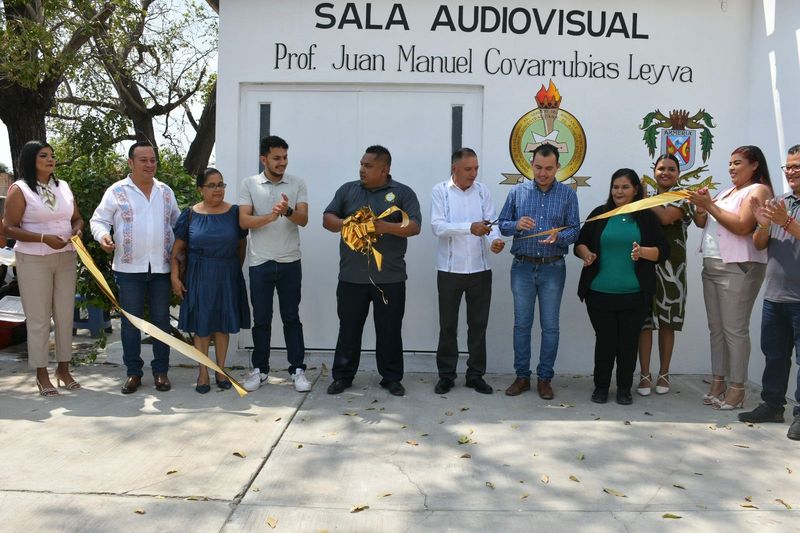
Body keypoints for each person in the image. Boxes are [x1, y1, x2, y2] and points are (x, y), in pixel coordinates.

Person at [323, 145, 421, 396]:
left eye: (368, 166)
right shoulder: (348, 190)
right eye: (361, 164)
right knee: (349, 329)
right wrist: (351, 223)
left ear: (384, 169)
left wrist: (383, 227)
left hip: (390, 277)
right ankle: (343, 376)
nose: (362, 169)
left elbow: (414, 226)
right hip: (351, 277)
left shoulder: (402, 193)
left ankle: (391, 378)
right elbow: (327, 220)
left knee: (389, 330)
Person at [90, 141, 180, 394]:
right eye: (143, 160)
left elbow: (177, 222)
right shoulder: (117, 191)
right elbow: (98, 220)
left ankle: (161, 371)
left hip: (161, 268)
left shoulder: (165, 192)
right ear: (130, 162)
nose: (149, 164)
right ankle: (133, 373)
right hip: (129, 269)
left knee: (162, 321)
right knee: (130, 324)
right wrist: (102, 237)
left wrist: (180, 254)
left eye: (152, 160)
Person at [575, 168, 669, 405]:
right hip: (599, 294)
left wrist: (642, 252)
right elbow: (580, 243)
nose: (619, 191)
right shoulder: (600, 214)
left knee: (628, 344)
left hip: (635, 295)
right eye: (615, 186)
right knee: (605, 342)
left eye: (625, 187)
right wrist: (586, 254)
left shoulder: (646, 216)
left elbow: (663, 251)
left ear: (636, 190)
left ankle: (625, 389)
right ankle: (601, 388)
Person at [690, 145, 773, 410]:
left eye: (738, 163)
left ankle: (737, 388)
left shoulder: (758, 190)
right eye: (730, 163)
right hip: (712, 265)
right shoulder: (728, 191)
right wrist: (701, 209)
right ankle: (718, 381)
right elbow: (703, 223)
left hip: (739, 267)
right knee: (717, 328)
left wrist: (709, 205)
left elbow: (742, 225)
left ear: (755, 165)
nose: (732, 168)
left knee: (734, 330)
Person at [497, 143, 580, 399]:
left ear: (558, 167)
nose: (543, 173)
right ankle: (522, 377)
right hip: (522, 266)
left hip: (553, 267)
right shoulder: (517, 192)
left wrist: (560, 237)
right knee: (521, 325)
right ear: (530, 165)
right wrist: (516, 224)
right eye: (538, 167)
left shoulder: (567, 195)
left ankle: (545, 378)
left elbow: (575, 230)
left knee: (550, 327)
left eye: (548, 168)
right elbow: (502, 225)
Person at [3, 141, 83, 396]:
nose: (50, 159)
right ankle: (41, 373)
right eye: (43, 156)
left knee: (64, 315)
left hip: (66, 258)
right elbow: (8, 228)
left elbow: (76, 217)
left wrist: (77, 229)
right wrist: (42, 238)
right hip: (34, 259)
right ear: (30, 159)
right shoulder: (21, 189)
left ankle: (63, 368)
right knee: (38, 319)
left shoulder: (64, 187)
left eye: (52, 156)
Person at [239, 136, 311, 393]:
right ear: (264, 159)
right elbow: (244, 221)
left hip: (291, 261)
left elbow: (303, 219)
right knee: (262, 320)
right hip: (260, 263)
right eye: (277, 158)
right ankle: (261, 370)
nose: (282, 163)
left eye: (285, 157)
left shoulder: (297, 183)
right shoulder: (249, 184)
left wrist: (288, 211)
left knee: (292, 318)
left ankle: (298, 370)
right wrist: (272, 215)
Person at [430, 148, 505, 395]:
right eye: (468, 169)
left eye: (476, 168)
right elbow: (438, 227)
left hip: (480, 270)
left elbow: (491, 223)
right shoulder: (440, 191)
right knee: (448, 325)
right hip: (450, 270)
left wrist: (494, 240)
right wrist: (469, 228)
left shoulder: (483, 191)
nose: (473, 173)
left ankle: (475, 375)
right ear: (455, 168)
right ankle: (446, 376)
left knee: (478, 325)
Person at [739, 144, 800, 440]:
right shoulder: (780, 201)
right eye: (788, 167)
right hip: (775, 294)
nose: (791, 172)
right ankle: (773, 405)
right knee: (774, 354)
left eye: (797, 167)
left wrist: (786, 222)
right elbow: (761, 243)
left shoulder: (784, 211)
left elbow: (789, 227)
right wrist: (763, 226)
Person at [170, 168, 250, 393]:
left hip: (227, 275)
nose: (218, 190)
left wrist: (232, 270)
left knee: (222, 327)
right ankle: (203, 373)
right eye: (212, 185)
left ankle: (220, 371)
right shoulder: (190, 214)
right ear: (201, 189)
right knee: (202, 328)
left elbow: (241, 247)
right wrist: (175, 277)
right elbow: (177, 249)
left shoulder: (235, 213)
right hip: (199, 276)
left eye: (221, 185)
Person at [637, 154, 705, 396]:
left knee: (668, 323)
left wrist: (644, 200)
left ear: (678, 173)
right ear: (654, 171)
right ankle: (644, 375)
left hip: (673, 269)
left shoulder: (683, 196)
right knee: (645, 323)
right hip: (645, 265)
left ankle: (664, 374)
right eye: (661, 168)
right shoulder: (649, 199)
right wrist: (645, 200)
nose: (665, 173)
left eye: (671, 169)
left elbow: (666, 218)